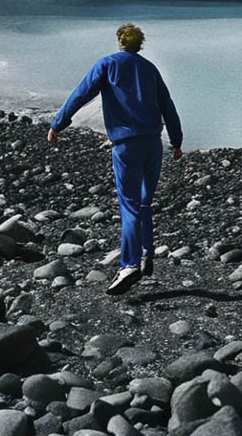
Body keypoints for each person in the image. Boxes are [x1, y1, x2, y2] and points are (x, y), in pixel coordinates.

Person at [47, 23, 183, 296]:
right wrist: (177, 141)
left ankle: (128, 265)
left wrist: (57, 124)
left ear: (120, 41)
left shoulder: (108, 65)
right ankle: (146, 255)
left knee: (130, 205)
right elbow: (167, 105)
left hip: (126, 145)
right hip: (154, 144)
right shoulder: (150, 69)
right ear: (139, 44)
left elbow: (81, 94)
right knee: (145, 202)